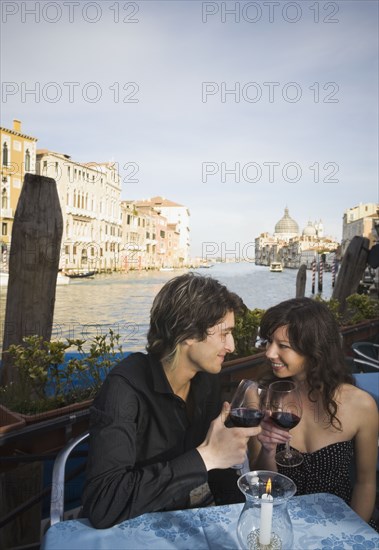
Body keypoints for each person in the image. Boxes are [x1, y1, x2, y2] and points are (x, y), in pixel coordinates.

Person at [82, 272, 261, 528]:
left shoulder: (205, 379)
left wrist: (246, 514)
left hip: (195, 519)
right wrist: (206, 457)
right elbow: (104, 503)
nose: (231, 346)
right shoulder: (124, 389)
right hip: (139, 527)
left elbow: (219, 474)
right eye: (224, 334)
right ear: (188, 333)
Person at [250, 297, 378, 526]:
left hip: (340, 523)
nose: (269, 353)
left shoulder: (361, 406)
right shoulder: (263, 399)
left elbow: (365, 483)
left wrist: (351, 535)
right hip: (279, 522)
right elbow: (261, 484)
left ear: (314, 350)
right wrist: (268, 450)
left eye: (283, 346)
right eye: (269, 341)